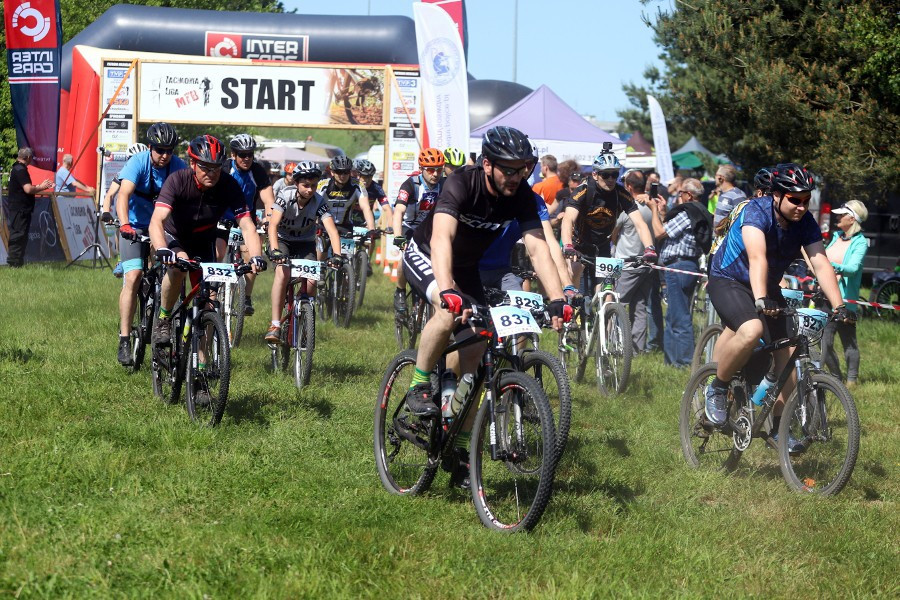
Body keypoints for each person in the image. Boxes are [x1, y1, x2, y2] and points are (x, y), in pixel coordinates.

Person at [400, 126, 571, 487]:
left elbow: (538, 248)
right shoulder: (461, 183)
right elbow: (442, 238)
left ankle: (461, 447)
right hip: (427, 253)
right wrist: (448, 290)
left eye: (523, 168)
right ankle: (419, 384)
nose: (516, 176)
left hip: (467, 268)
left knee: (477, 352)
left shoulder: (521, 196)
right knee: (447, 311)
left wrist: (557, 298)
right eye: (508, 169)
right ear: (488, 164)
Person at [705, 163, 850, 451]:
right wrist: (761, 298)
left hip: (766, 286)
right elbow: (757, 258)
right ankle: (717, 388)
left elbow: (820, 262)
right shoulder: (756, 211)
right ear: (777, 195)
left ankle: (778, 428)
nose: (801, 207)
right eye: (795, 200)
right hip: (729, 279)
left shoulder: (805, 221)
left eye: (806, 200)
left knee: (789, 353)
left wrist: (839, 306)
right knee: (751, 330)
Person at [150, 135, 265, 352]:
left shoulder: (229, 185)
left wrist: (256, 256)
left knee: (209, 303)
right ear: (193, 163)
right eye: (205, 167)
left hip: (204, 240)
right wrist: (162, 249)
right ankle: (164, 319)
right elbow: (157, 220)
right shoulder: (177, 180)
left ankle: (202, 366)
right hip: (176, 237)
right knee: (178, 268)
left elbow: (247, 225)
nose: (211, 173)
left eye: (216, 168)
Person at [115, 123, 187, 366]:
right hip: (135, 226)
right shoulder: (138, 162)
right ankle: (125, 338)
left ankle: (164, 318)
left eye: (169, 150)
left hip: (162, 226)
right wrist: (125, 224)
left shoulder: (178, 166)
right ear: (150, 148)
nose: (165, 155)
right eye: (159, 150)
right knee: (133, 276)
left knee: (174, 267)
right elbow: (123, 195)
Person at [264, 161, 344, 344]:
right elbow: (273, 225)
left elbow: (332, 230)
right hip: (282, 240)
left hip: (305, 243)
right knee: (283, 273)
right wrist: (275, 250)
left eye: (314, 185)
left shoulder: (319, 201)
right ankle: (275, 324)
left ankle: (303, 312)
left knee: (311, 280)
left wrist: (337, 255)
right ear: (296, 183)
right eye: (306, 185)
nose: (310, 190)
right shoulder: (285, 196)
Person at [560, 148, 658, 291]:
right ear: (595, 174)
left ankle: (605, 304)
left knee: (608, 290)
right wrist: (568, 245)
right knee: (574, 274)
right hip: (580, 245)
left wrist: (649, 248)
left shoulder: (620, 193)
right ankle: (572, 300)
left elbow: (640, 223)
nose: (611, 179)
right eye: (605, 175)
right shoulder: (583, 190)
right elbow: (568, 219)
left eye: (614, 174)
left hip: (603, 246)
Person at [649, 177, 708, 367]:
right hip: (684, 266)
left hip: (679, 267)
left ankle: (684, 361)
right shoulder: (698, 211)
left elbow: (659, 233)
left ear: (688, 195)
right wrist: (662, 212)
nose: (678, 196)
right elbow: (668, 230)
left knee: (680, 316)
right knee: (673, 315)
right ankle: (671, 361)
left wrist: (653, 210)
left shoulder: (687, 213)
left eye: (681, 193)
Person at [216, 134, 275, 317]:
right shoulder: (224, 168)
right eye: (242, 154)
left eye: (250, 154)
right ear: (233, 155)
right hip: (222, 217)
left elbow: (268, 200)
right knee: (217, 254)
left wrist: (269, 218)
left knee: (251, 256)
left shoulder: (257, 171)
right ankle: (212, 289)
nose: (247, 158)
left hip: (245, 219)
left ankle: (246, 297)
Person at [392, 148, 445, 314]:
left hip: (430, 229)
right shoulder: (410, 185)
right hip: (409, 227)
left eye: (439, 170)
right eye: (430, 170)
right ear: (421, 168)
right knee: (405, 257)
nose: (435, 174)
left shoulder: (444, 184)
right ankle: (400, 291)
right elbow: (398, 211)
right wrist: (398, 236)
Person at [822, 200, 869, 386]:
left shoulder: (861, 243)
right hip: (825, 296)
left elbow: (853, 268)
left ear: (852, 219)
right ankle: (836, 378)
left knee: (848, 342)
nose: (838, 217)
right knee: (824, 343)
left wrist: (831, 266)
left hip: (845, 299)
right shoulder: (836, 237)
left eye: (842, 214)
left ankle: (852, 380)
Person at [612, 170, 655, 352]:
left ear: (628, 186)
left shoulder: (628, 207)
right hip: (647, 264)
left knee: (618, 304)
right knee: (640, 307)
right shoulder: (651, 205)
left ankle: (616, 344)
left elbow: (613, 234)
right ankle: (637, 348)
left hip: (627, 264)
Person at [6, 147, 54, 268]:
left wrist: (38, 186)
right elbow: (28, 189)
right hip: (20, 209)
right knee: (19, 234)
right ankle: (14, 262)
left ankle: (17, 262)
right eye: (31, 157)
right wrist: (42, 187)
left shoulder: (16, 168)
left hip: (19, 208)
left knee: (21, 235)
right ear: (27, 157)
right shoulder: (20, 170)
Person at [317, 155, 376, 235]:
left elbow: (366, 207)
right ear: (332, 172)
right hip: (323, 226)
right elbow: (314, 205)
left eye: (346, 172)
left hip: (345, 227)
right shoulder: (323, 185)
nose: (343, 176)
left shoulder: (357, 185)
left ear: (350, 172)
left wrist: (372, 229)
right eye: (339, 172)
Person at [354, 159, 392, 231]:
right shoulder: (352, 186)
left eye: (370, 177)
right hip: (350, 222)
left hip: (367, 222)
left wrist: (391, 227)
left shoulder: (376, 188)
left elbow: (387, 208)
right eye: (365, 176)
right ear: (358, 175)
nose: (367, 180)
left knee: (372, 235)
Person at [711, 164, 747, 229]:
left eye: (716, 175)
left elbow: (742, 220)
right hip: (717, 235)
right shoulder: (722, 194)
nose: (714, 178)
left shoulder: (737, 195)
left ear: (721, 178)